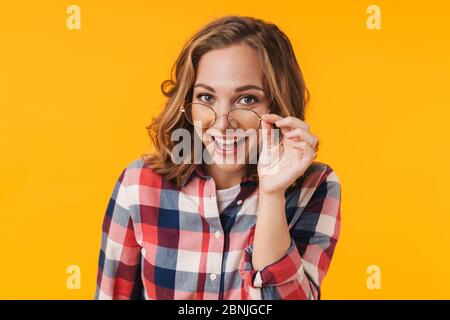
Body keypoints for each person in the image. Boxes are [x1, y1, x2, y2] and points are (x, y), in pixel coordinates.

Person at [95, 15, 341, 300]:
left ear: (277, 103)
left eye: (246, 99)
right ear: (187, 102)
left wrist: (272, 195)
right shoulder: (138, 185)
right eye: (207, 98)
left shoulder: (316, 186)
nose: (222, 124)